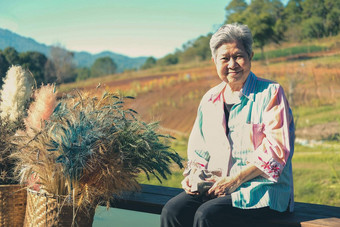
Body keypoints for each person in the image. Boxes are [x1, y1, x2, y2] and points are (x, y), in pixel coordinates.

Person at [160, 23, 295, 227]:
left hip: (260, 190)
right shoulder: (210, 99)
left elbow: (277, 150)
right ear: (214, 61)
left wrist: (235, 179)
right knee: (173, 211)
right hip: (218, 186)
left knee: (207, 215)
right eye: (224, 58)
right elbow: (199, 150)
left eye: (238, 56)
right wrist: (193, 175)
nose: (232, 64)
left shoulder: (271, 92)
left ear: (250, 56)